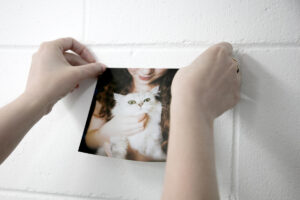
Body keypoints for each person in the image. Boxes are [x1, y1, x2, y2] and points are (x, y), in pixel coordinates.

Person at [0, 37, 240, 200]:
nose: (145, 72)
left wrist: (34, 98)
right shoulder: (110, 96)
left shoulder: (162, 97)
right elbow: (97, 140)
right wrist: (193, 104)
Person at [82, 67, 177, 161]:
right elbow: (89, 141)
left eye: (157, 62)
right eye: (139, 61)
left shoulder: (178, 95)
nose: (146, 71)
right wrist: (106, 132)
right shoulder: (109, 91)